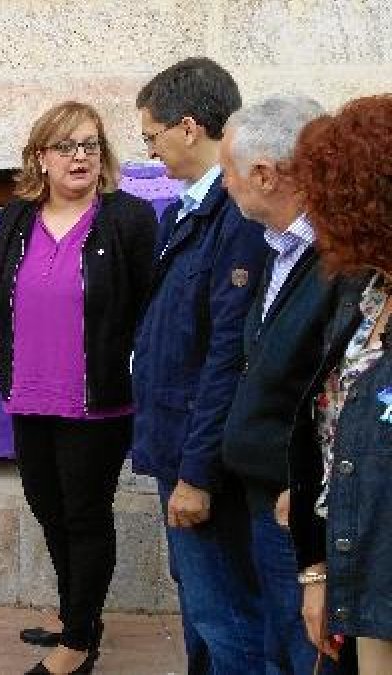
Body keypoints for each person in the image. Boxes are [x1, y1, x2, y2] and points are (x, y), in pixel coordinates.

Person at [0, 100, 157, 675]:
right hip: (29, 393)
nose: (79, 156)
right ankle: (75, 615)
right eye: (65, 146)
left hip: (96, 401)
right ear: (41, 157)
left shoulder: (129, 219)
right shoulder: (18, 216)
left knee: (85, 515)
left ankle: (79, 645)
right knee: (49, 509)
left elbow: (152, 309)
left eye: (90, 144)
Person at [130, 57, 269, 674]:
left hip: (201, 455)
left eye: (152, 136)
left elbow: (227, 356)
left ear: (188, 127)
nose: (150, 151)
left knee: (225, 614)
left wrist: (197, 473)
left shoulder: (237, 216)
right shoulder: (183, 212)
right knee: (200, 607)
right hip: (177, 442)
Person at [217, 94, 340, 675]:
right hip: (264, 489)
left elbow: (332, 387)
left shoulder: (338, 260)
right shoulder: (279, 248)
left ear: (264, 174)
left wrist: (304, 481)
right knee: (277, 648)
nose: (224, 185)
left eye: (229, 171)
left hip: (298, 500)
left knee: (304, 652)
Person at [289, 94, 392, 675]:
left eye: (326, 196)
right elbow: (333, 440)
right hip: (354, 572)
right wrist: (319, 571)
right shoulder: (365, 291)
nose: (313, 211)